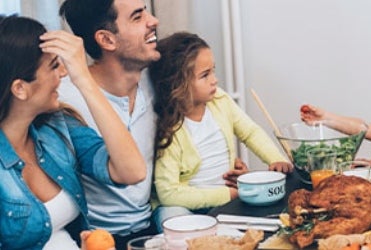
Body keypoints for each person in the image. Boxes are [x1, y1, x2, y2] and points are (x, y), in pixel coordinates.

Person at [56, 1, 250, 249]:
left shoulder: (161, 80)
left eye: (146, 10)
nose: (153, 21)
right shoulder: (64, 97)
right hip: (98, 239)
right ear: (106, 40)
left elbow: (206, 120)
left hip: (156, 224)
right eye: (137, 17)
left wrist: (223, 165)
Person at [0, 15, 145, 249]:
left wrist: (85, 80)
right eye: (53, 66)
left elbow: (132, 171)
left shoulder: (58, 128)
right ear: (20, 89)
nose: (64, 74)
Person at [148, 32, 292, 230]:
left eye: (213, 71)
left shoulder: (220, 101)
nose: (214, 80)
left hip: (224, 198)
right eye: (205, 75)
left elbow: (250, 132)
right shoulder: (170, 128)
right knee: (173, 218)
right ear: (178, 84)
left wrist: (275, 159)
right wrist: (229, 194)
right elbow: (168, 193)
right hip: (185, 205)